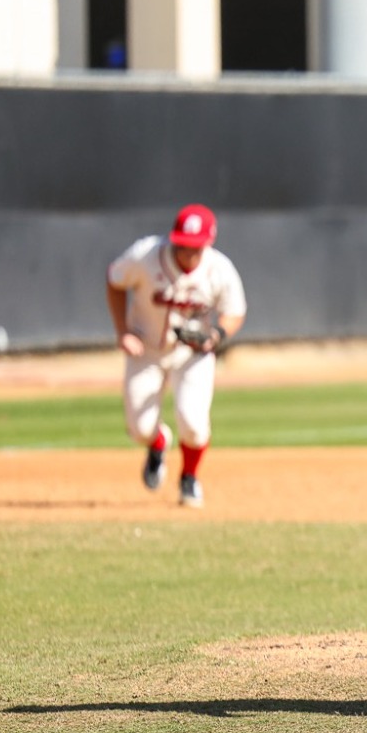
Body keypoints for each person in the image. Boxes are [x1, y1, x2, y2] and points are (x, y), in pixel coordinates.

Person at [105, 203, 247, 508]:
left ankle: (189, 477)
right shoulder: (145, 255)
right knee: (139, 429)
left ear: (209, 242)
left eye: (196, 246)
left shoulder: (219, 269)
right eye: (183, 244)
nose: (188, 251)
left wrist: (216, 336)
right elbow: (115, 280)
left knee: (194, 424)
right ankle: (158, 445)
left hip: (191, 356)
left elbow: (235, 311)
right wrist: (122, 332)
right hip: (146, 349)